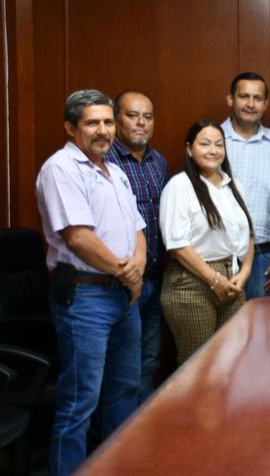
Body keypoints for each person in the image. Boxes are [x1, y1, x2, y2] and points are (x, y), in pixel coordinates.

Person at [36, 89, 146, 475]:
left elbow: (137, 228)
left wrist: (138, 268)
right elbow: (78, 237)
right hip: (85, 298)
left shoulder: (114, 170)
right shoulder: (60, 169)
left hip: (123, 298)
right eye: (92, 123)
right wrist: (124, 271)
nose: (103, 130)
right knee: (80, 402)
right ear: (70, 128)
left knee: (124, 393)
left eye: (108, 122)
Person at [159, 120, 254, 364]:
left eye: (219, 145)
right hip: (192, 283)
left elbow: (249, 234)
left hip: (232, 281)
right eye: (205, 144)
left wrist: (244, 273)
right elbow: (177, 245)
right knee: (199, 366)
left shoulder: (233, 185)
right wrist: (214, 280)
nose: (213, 150)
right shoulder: (179, 186)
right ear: (189, 149)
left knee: (233, 361)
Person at [106, 90, 169, 404]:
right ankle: (113, 442)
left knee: (149, 362)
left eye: (148, 116)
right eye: (132, 115)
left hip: (156, 278)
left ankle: (141, 435)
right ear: (117, 119)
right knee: (122, 370)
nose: (141, 123)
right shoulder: (104, 161)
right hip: (120, 281)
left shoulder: (159, 163)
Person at [221, 72, 270, 298]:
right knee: (223, 331)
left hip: (265, 256)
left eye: (257, 98)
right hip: (218, 256)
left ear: (265, 103)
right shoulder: (213, 139)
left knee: (259, 329)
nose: (251, 104)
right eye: (244, 97)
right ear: (231, 99)